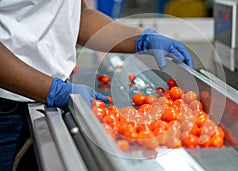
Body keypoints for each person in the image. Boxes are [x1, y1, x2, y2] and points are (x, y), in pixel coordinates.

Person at [0, 0, 194, 170]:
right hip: (7, 109)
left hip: (47, 97)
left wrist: (141, 40)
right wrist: (54, 90)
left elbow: (79, 16)